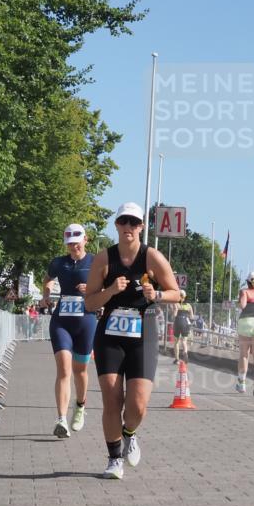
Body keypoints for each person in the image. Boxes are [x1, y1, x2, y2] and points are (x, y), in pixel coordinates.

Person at [84, 202, 181, 480]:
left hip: (144, 332)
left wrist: (157, 296)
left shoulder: (152, 257)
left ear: (141, 227)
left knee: (137, 405)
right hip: (110, 334)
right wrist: (111, 290)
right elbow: (90, 302)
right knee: (112, 400)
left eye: (134, 223)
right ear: (116, 225)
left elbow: (176, 292)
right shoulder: (104, 259)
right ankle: (114, 459)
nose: (128, 227)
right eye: (124, 221)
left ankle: (129, 433)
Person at [42, 224, 96, 438]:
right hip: (61, 321)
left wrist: (92, 289)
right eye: (69, 243)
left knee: (80, 370)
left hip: (86, 321)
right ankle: (61, 419)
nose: (73, 246)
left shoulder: (95, 262)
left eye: (77, 242)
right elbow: (47, 280)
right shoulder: (58, 263)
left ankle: (80, 406)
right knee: (64, 369)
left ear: (85, 240)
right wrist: (46, 293)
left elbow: (108, 288)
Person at [172, 290, 194, 363]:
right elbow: (192, 317)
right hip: (186, 322)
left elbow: (174, 315)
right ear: (185, 297)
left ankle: (177, 359)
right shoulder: (189, 305)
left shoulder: (177, 304)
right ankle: (185, 353)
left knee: (176, 341)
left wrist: (174, 314)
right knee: (184, 341)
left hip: (178, 321)